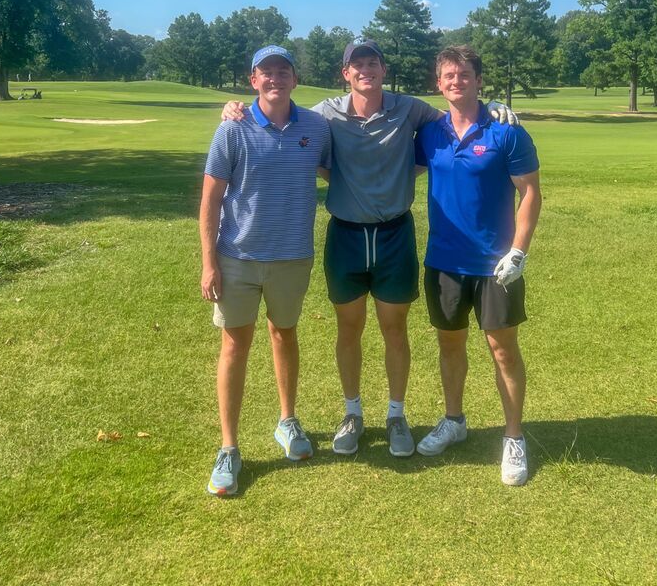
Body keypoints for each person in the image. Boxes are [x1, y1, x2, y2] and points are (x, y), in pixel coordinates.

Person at [222, 39, 516, 459]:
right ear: (345, 73)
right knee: (349, 327)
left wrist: (491, 110)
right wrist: (233, 109)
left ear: (382, 69)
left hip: (395, 234)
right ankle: (353, 413)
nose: (365, 69)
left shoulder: (409, 108)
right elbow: (312, 155)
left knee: (394, 328)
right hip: (346, 235)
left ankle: (396, 415)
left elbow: (457, 117)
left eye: (372, 62)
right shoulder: (325, 114)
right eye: (356, 64)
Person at [200, 45, 331, 496]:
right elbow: (211, 200)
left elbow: (345, 168)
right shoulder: (232, 129)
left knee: (285, 334)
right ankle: (230, 448)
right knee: (235, 345)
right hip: (237, 257)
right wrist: (208, 262)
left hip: (293, 256)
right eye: (266, 71)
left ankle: (287, 421)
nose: (275, 77)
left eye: (283, 70)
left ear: (295, 79)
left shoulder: (316, 127)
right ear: (253, 80)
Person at [414, 45, 541, 485]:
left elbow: (530, 193)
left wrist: (519, 250)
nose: (456, 81)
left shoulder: (507, 132)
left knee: (502, 350)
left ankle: (513, 438)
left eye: (464, 74)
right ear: (438, 83)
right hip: (444, 261)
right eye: (448, 75)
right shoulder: (430, 134)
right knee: (450, 346)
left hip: (496, 264)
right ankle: (454, 420)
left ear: (479, 79)